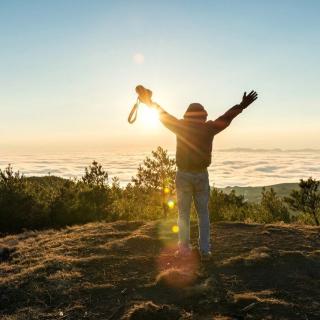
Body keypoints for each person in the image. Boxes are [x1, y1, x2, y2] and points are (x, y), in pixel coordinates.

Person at [138, 87, 258, 259]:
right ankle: (204, 251)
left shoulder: (179, 126)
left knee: (183, 215)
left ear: (187, 115)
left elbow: (162, 114)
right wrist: (241, 105)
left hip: (183, 175)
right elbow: (226, 117)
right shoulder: (209, 128)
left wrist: (149, 102)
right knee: (203, 215)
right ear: (203, 115)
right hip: (201, 175)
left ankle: (184, 250)